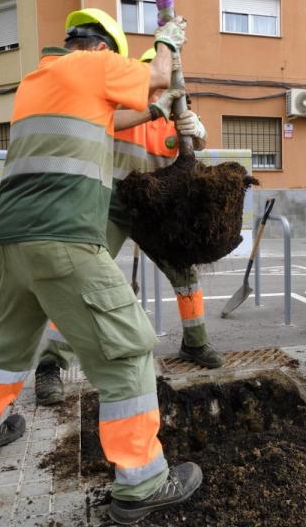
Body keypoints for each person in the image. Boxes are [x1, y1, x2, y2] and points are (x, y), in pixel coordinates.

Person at [0, 8, 202, 525]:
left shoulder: (39, 82)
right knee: (127, 349)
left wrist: (159, 113)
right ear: (102, 50)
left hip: (9, 238)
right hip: (61, 236)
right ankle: (142, 482)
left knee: (9, 343)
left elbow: (114, 118)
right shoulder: (92, 67)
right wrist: (167, 40)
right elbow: (156, 73)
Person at [35, 48, 221, 407]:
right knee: (81, 283)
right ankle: (50, 365)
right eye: (154, 79)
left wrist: (198, 135)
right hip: (112, 203)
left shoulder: (179, 115)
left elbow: (190, 158)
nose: (158, 88)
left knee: (185, 273)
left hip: (156, 209)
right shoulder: (120, 108)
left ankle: (195, 342)